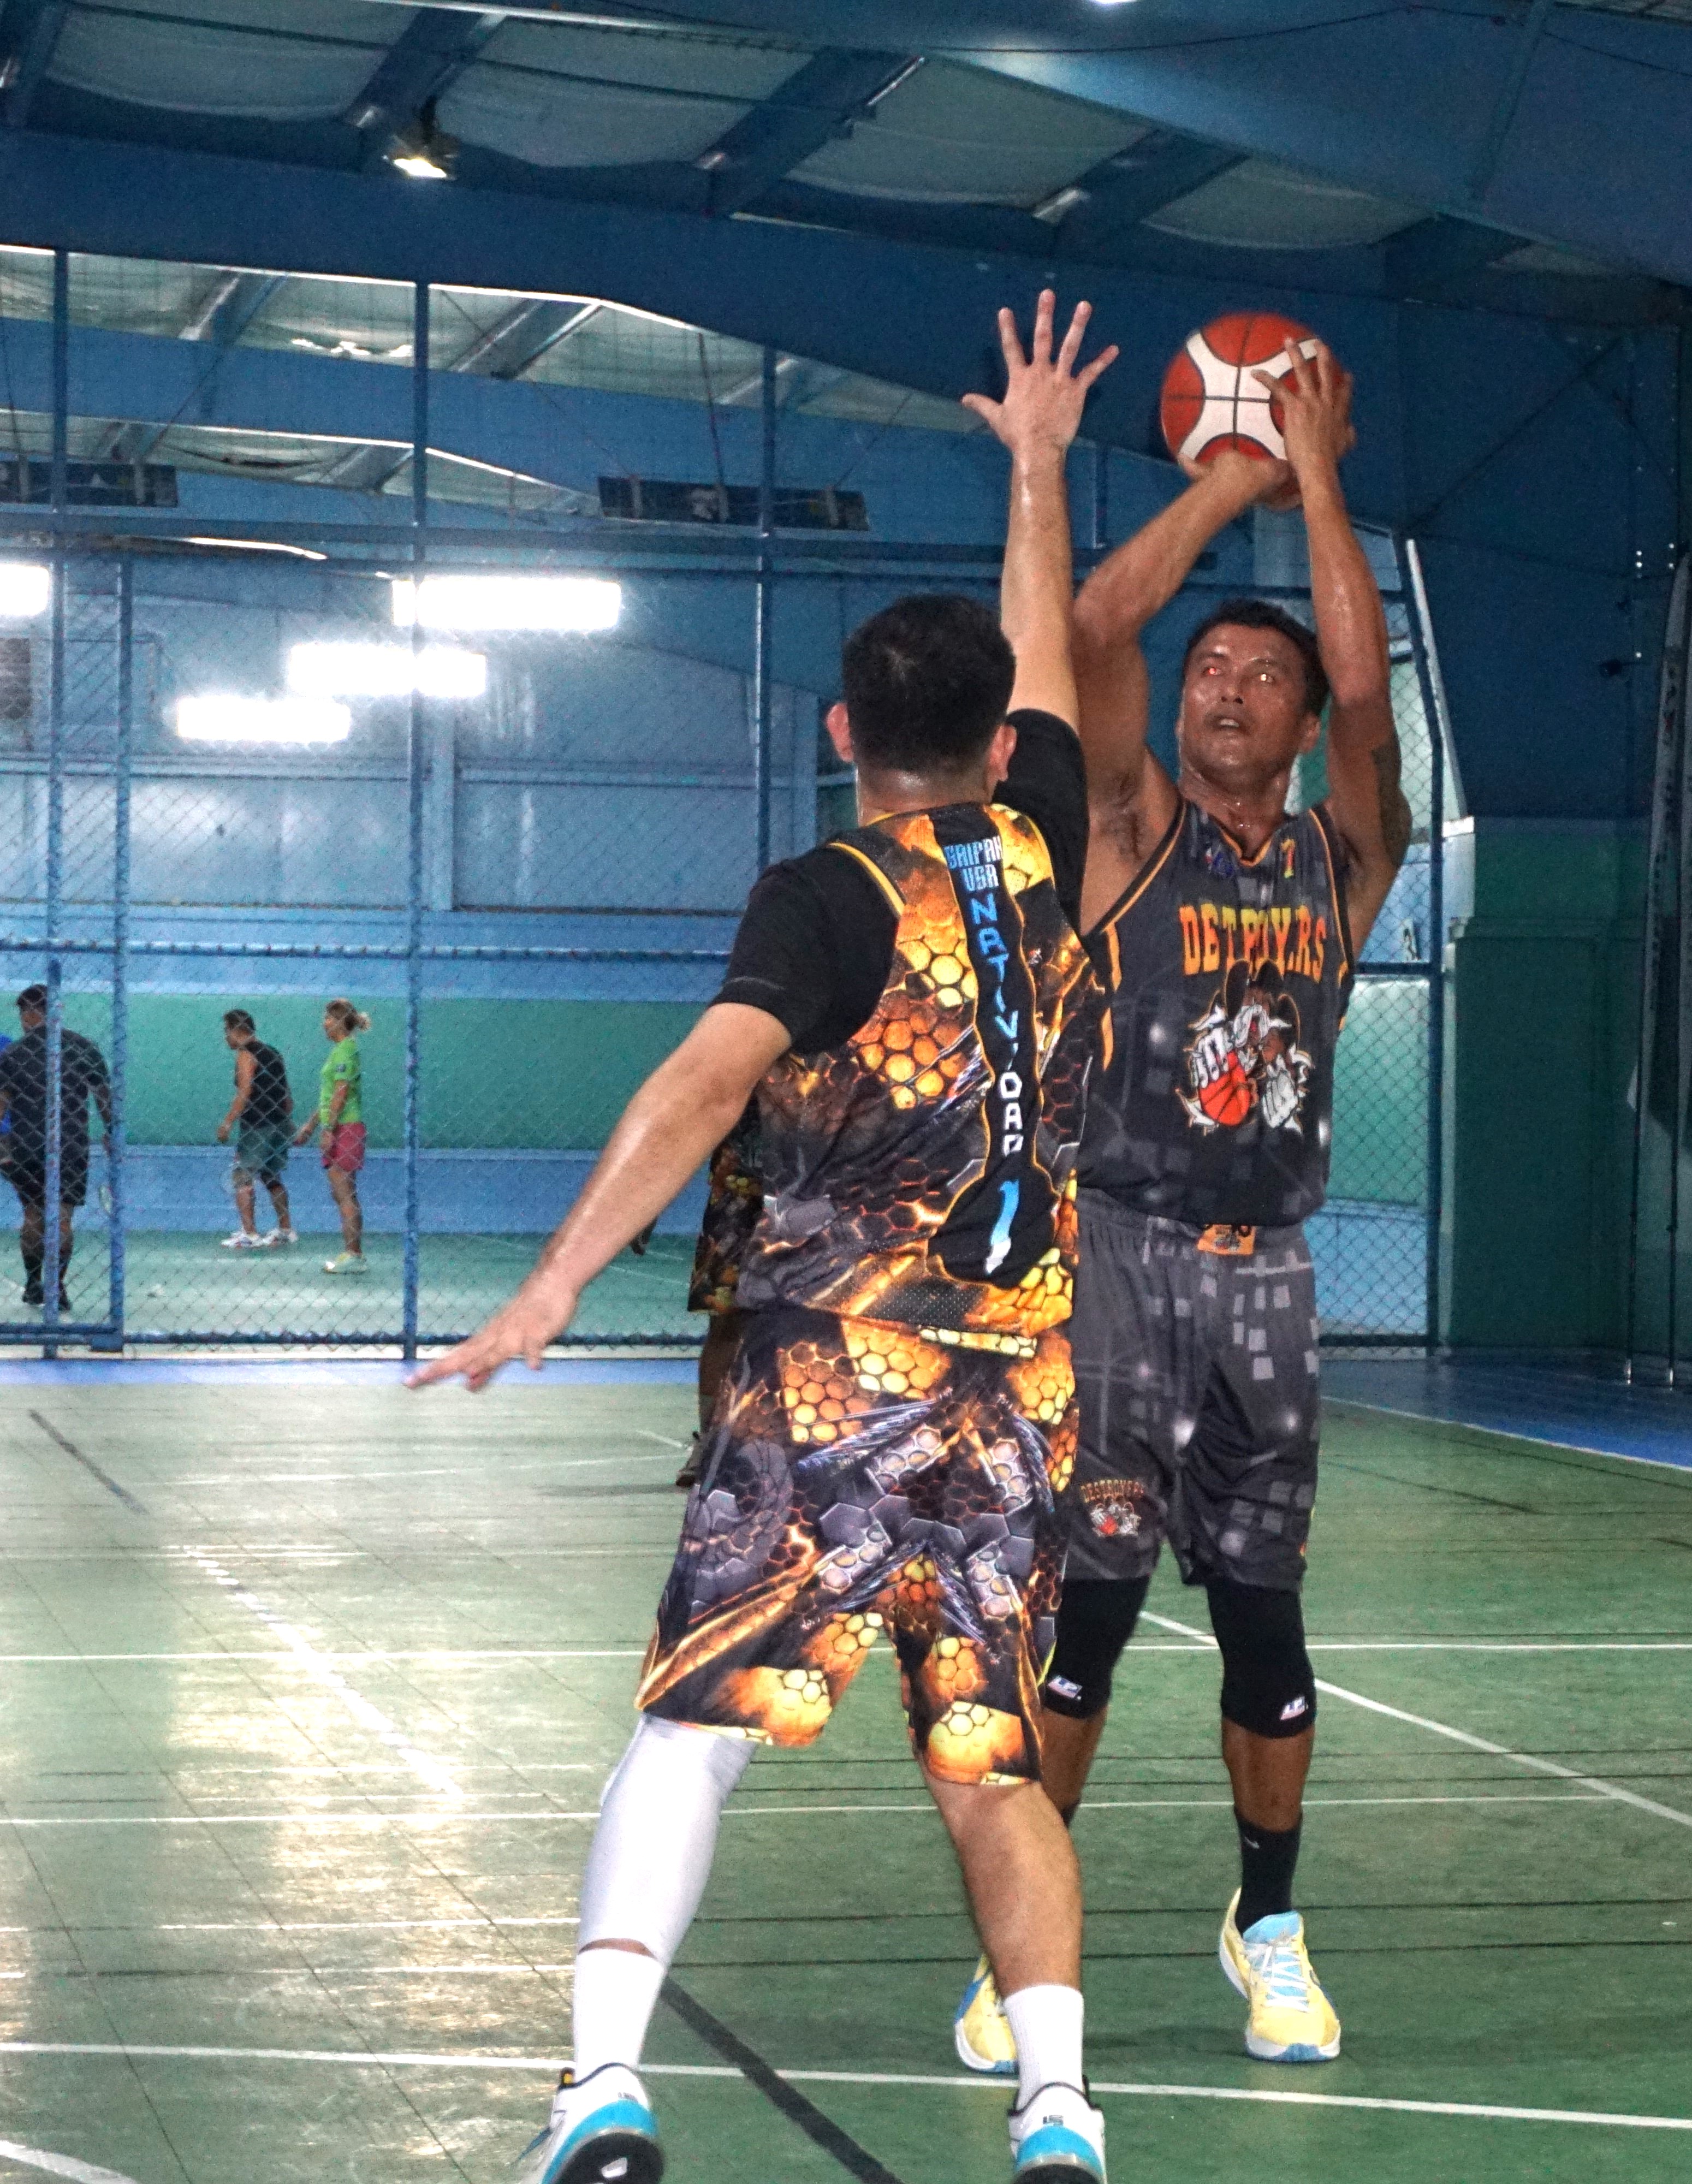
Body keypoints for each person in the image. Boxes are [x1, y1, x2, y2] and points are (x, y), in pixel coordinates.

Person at [414, 290, 1115, 2184]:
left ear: (840, 735)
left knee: (698, 1722)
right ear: (991, 738)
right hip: (1019, 1385)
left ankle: (602, 2093)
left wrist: (555, 1278)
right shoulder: (1045, 832)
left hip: (817, 1378)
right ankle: (1058, 2114)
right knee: (988, 1751)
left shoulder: (823, 898)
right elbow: (1044, 645)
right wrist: (1036, 465)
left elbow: (702, 1086)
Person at [953, 339, 1411, 2075]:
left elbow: (1370, 700)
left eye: (1255, 674)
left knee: (1265, 1626)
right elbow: (1077, 646)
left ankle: (1268, 1923)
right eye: (1208, 667)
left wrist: (1320, 486)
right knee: (1087, 1624)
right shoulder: (1129, 831)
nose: (1222, 687)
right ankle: (1026, 1946)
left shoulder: (1334, 856)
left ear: (1298, 726)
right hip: (1119, 1257)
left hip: (1266, 1279)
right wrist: (1229, 477)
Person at [0, 984, 113, 1314]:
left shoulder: (14, 1055)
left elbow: (1, 1104)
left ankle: (35, 1282)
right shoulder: (83, 1048)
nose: (24, 1018)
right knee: (62, 1217)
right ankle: (57, 1286)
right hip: (71, 1144)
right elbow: (103, 1096)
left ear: (32, 1013)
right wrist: (111, 1130)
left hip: (28, 1145)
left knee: (34, 1213)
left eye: (25, 1011)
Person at [673, 1109, 764, 1489]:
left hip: (810, 1199)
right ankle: (710, 1441)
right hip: (737, 1203)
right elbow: (692, 1114)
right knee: (724, 1322)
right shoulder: (736, 1054)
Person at [292, 999, 368, 1276]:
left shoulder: (347, 1050)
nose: (323, 1023)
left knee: (345, 1192)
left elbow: (341, 1093)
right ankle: (352, 1253)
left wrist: (328, 1129)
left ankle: (354, 1255)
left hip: (346, 1128)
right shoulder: (338, 1051)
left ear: (339, 1022)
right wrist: (311, 1125)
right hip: (337, 1126)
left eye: (327, 1018)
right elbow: (327, 1097)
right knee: (340, 1193)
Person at [214, 1009, 295, 1250]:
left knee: (242, 1176)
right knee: (271, 1175)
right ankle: (285, 1229)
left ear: (234, 1030)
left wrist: (228, 1122)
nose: (225, 1038)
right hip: (281, 1123)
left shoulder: (245, 1055)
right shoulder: (274, 1053)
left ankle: (250, 1234)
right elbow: (288, 1098)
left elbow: (245, 1092)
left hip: (257, 1125)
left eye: (226, 1032)